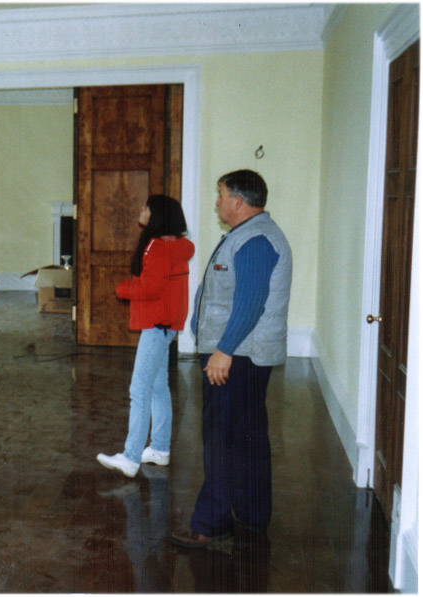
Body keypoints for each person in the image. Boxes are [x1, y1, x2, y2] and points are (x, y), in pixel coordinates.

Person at [171, 169, 292, 548]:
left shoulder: (255, 241)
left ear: (238, 202)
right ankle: (253, 514)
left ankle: (211, 522)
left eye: (221, 195)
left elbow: (250, 303)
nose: (217, 203)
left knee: (222, 439)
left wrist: (223, 351)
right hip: (241, 354)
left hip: (237, 355)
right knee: (247, 435)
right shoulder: (250, 235)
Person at [97, 194, 195, 478]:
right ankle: (160, 449)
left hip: (156, 326)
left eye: (146, 208)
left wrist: (122, 289)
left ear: (157, 216)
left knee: (139, 389)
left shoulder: (157, 247)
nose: (141, 211)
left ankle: (130, 458)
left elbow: (149, 289)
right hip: (167, 325)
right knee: (158, 387)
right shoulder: (178, 245)